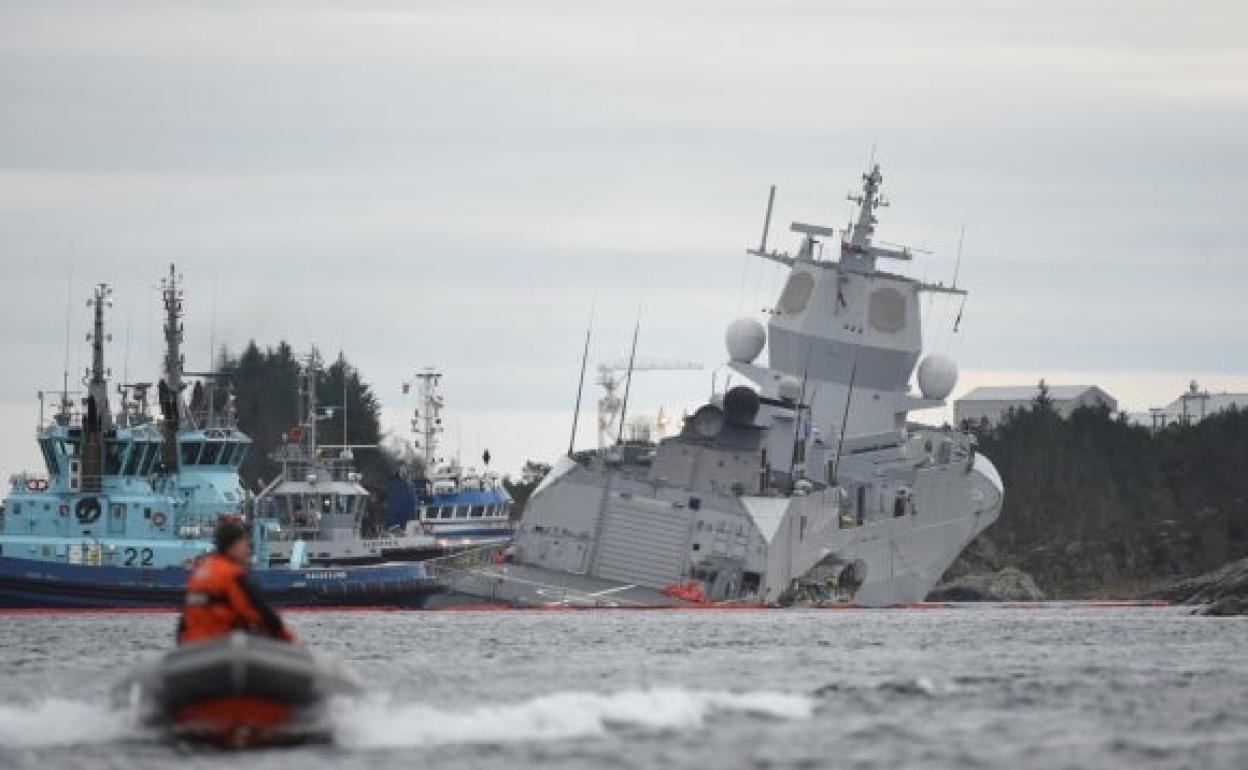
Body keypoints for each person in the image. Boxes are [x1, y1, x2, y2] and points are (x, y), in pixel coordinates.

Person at [177, 520, 295, 645]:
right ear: (234, 545)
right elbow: (261, 612)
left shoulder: (199, 574)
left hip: (192, 646)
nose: (247, 550)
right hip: (219, 645)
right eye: (245, 545)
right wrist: (290, 641)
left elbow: (184, 622)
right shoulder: (233, 575)